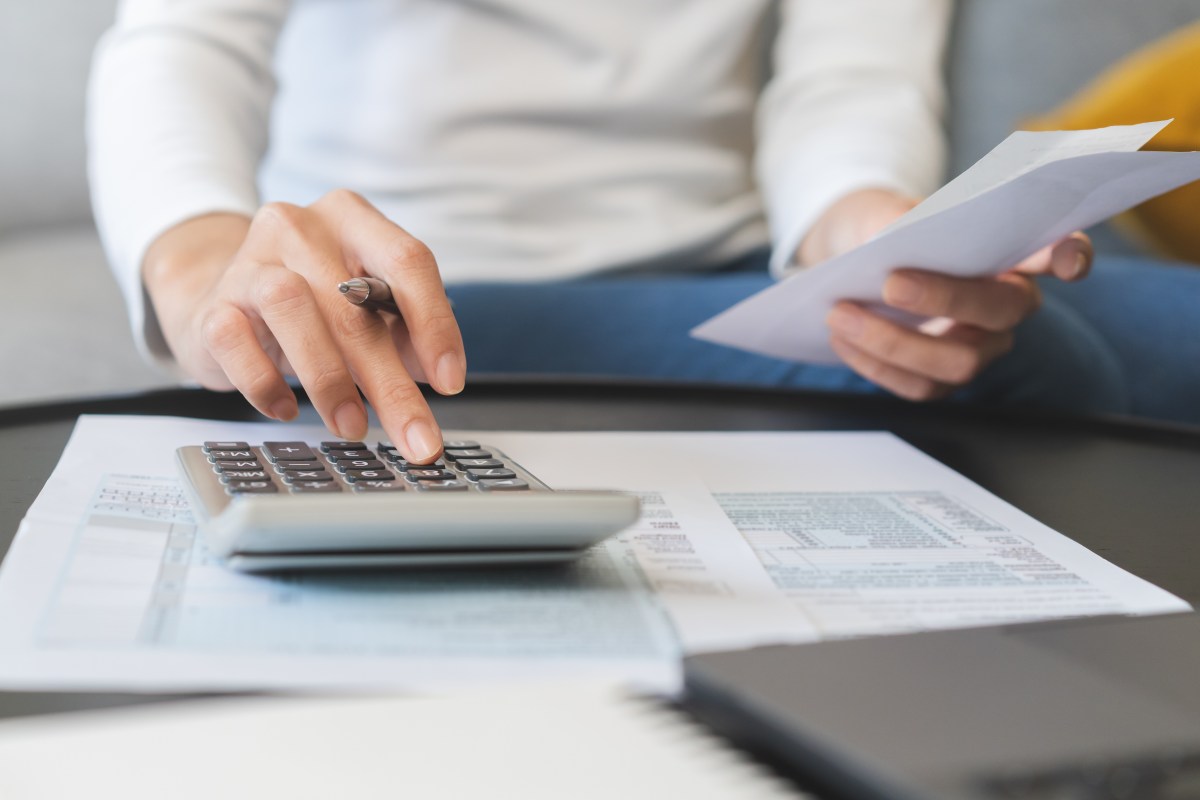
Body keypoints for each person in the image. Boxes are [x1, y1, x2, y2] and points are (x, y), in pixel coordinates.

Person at [87, 0, 1195, 465]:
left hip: (726, 267)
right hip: (426, 291)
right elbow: (183, 39)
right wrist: (203, 276)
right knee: (1037, 362)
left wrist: (869, 231)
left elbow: (847, 81)